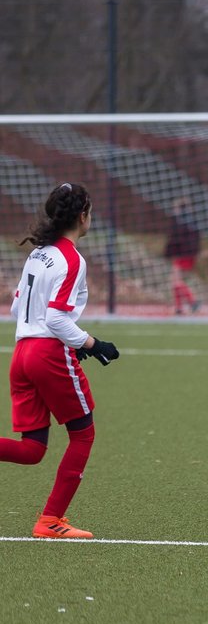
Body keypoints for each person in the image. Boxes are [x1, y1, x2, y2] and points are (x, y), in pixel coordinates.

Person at [2, 183, 120, 539]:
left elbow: (16, 306)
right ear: (82, 216)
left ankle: (51, 520)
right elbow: (55, 319)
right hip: (47, 354)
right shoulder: (71, 259)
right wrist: (92, 342)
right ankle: (50, 520)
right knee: (83, 434)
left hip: (21, 353)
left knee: (33, 449)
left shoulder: (38, 255)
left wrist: (73, 340)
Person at [163, 196, 201, 314]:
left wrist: (168, 252)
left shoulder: (179, 222)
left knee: (176, 280)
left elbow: (174, 239)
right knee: (176, 280)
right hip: (189, 254)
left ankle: (192, 302)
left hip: (182, 254)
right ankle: (179, 307)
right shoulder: (192, 220)